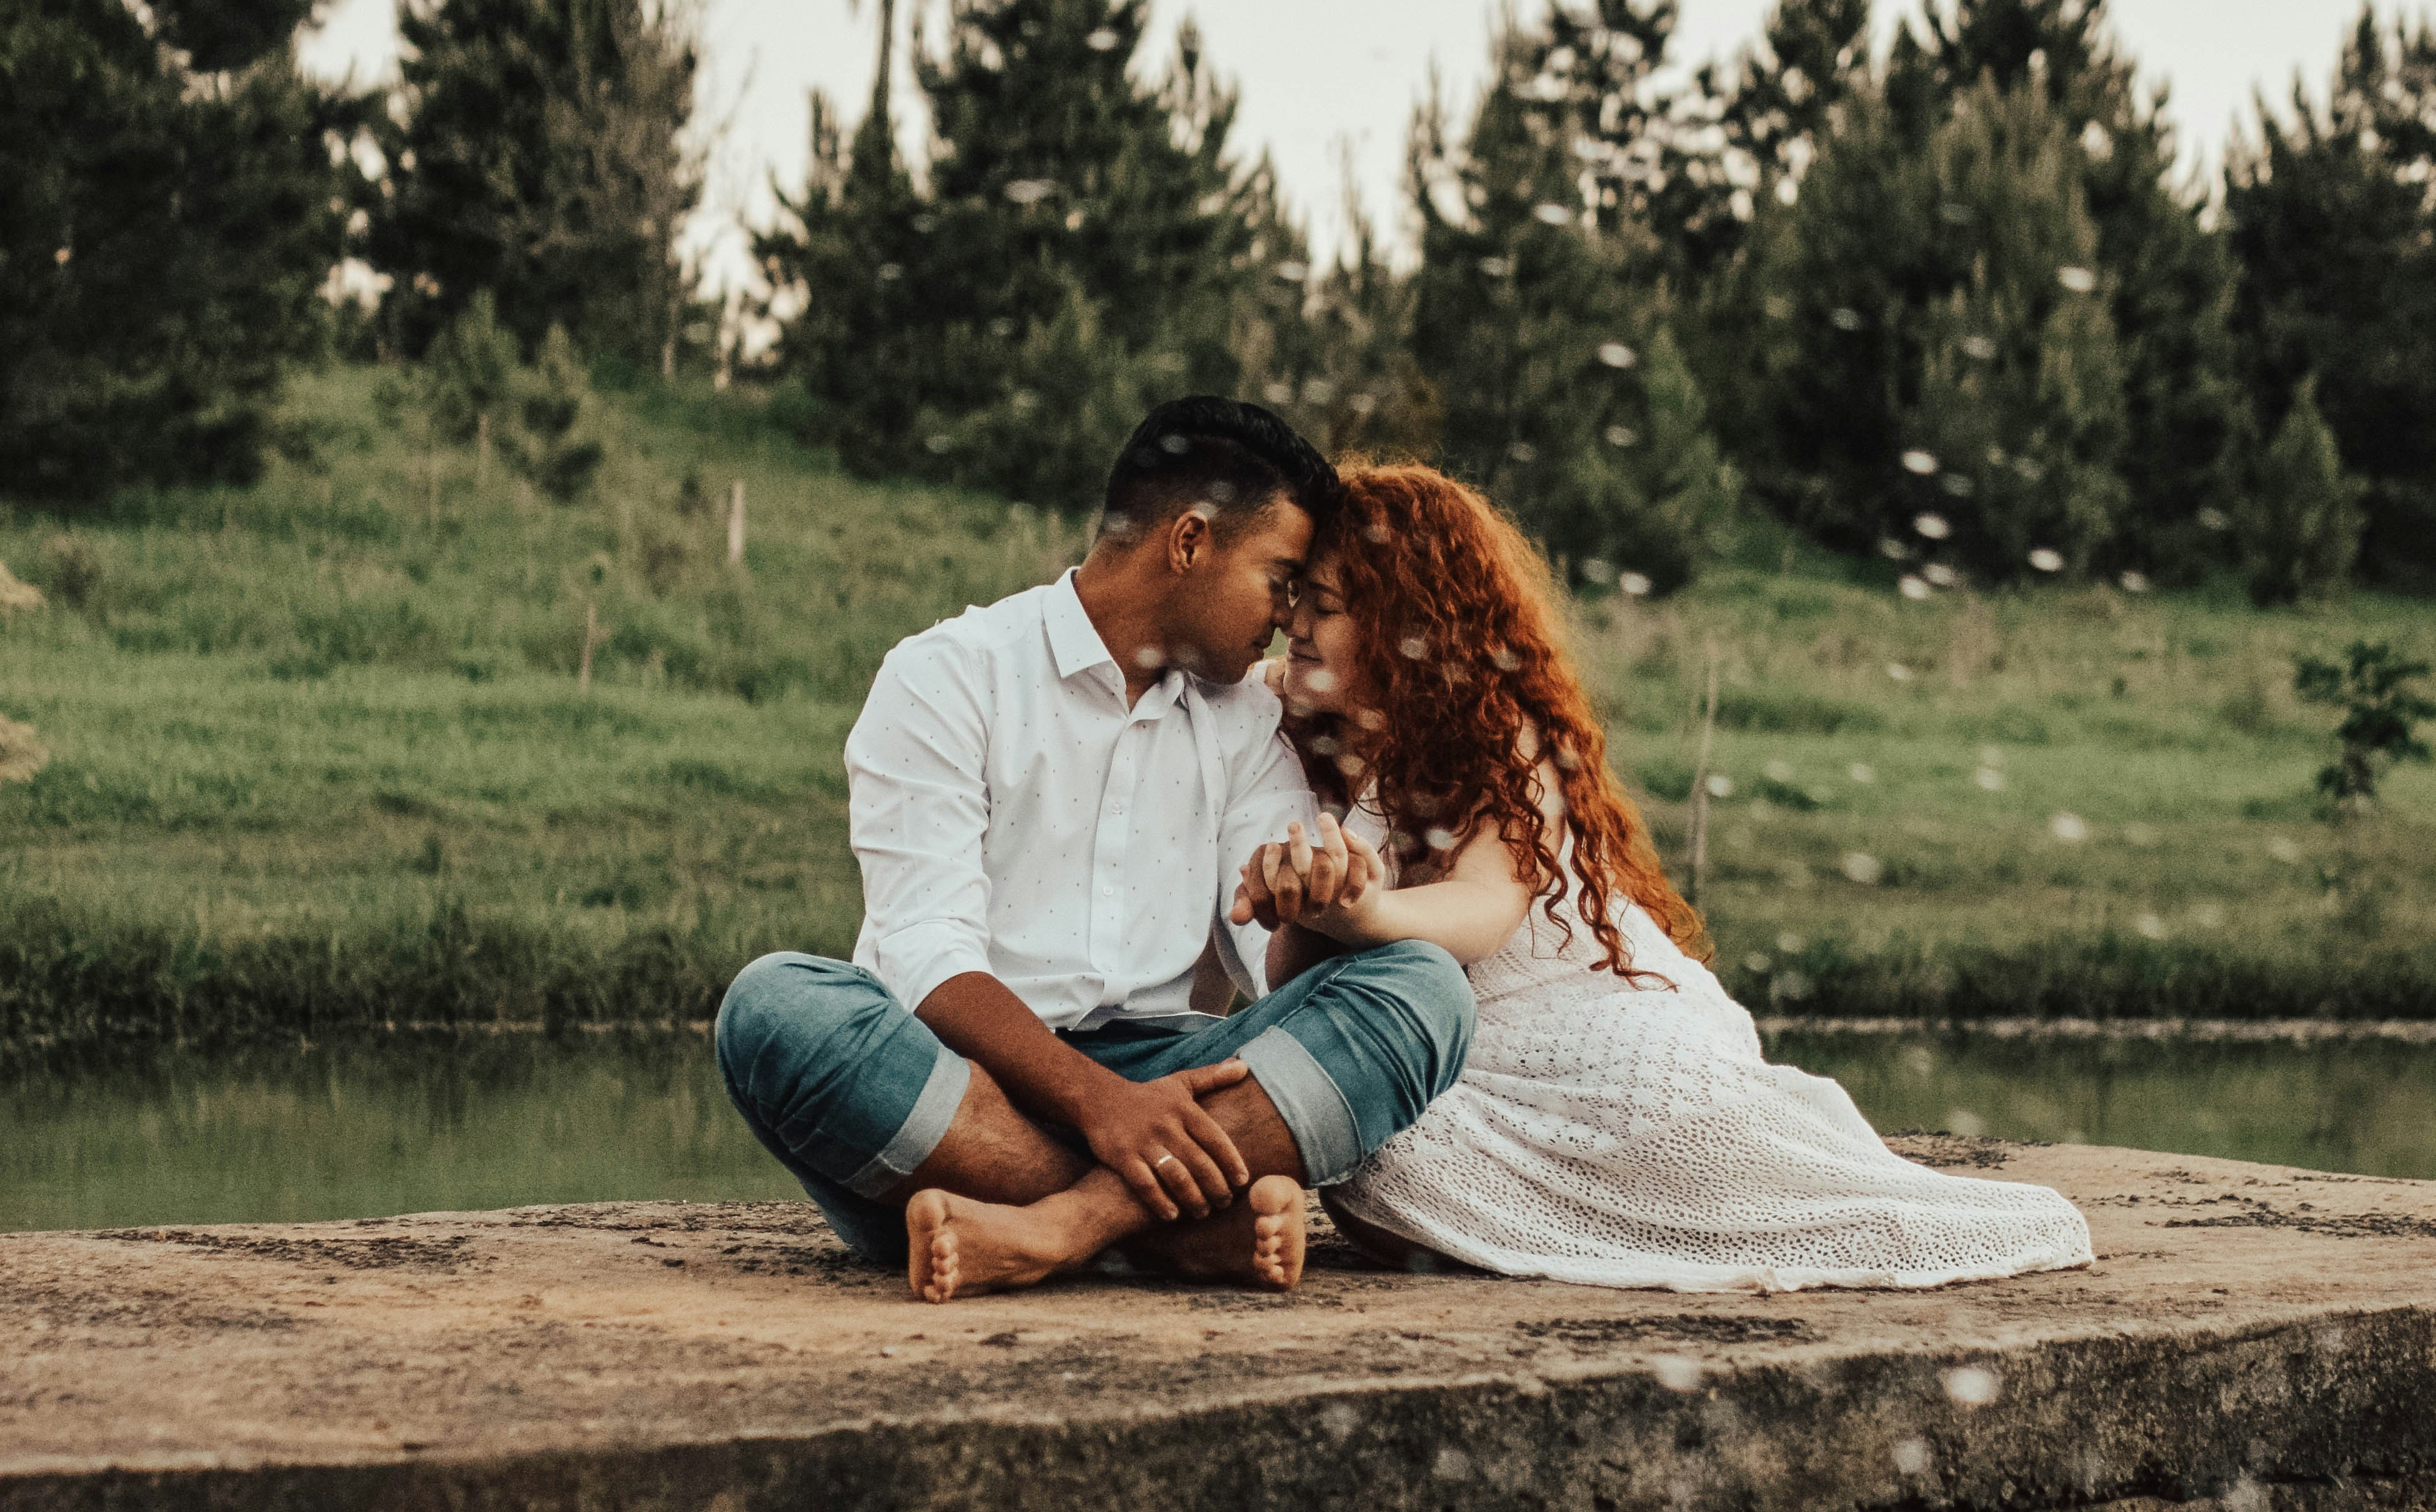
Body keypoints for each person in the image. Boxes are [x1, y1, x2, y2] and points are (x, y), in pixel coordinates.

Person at [1248, 462, 2095, 1292]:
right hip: (1454, 1053)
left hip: (1590, 1024)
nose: (1297, 626)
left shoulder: (1492, 736)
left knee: (1668, 1126)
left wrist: (1362, 911)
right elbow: (1288, 980)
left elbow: (1484, 904)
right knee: (1377, 1158)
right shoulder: (1305, 736)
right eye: (1296, 602)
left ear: (1409, 625)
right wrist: (1309, 905)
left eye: (1323, 606)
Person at [715, 401, 1475, 1303]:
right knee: (771, 1011)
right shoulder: (948, 674)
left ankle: (1062, 1226)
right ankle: (1177, 1238)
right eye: (1277, 578)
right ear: (1189, 542)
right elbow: (924, 953)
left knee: (1424, 989)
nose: (1282, 618)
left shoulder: (1245, 717)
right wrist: (1101, 1108)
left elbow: (1266, 962)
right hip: (962, 1085)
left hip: (1173, 1081)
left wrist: (1311, 902)